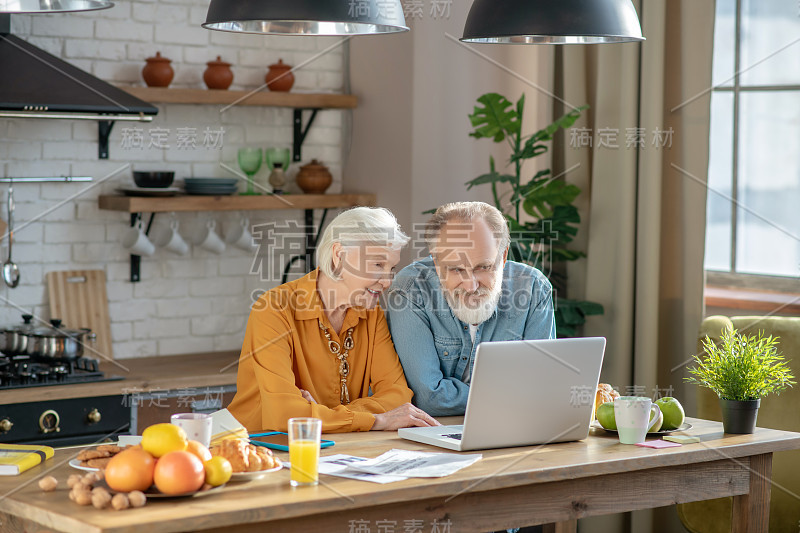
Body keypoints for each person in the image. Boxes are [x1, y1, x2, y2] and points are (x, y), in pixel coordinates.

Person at [228, 207, 439, 433]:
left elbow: (397, 394)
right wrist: (377, 420)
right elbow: (285, 417)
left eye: (392, 268)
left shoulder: (369, 311)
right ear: (339, 256)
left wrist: (321, 414)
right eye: (378, 265)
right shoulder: (273, 310)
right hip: (259, 451)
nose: (387, 282)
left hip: (334, 447)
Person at [385, 201, 556, 416]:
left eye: (483, 268)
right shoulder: (410, 291)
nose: (471, 286)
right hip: (432, 434)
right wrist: (513, 397)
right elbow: (428, 398)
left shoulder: (534, 289)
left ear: (503, 258)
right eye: (456, 269)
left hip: (513, 426)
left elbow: (540, 387)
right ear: (436, 262)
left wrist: (526, 397)